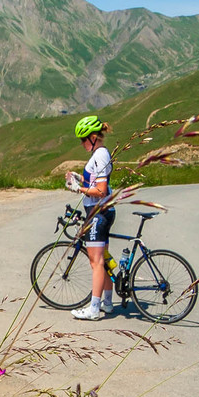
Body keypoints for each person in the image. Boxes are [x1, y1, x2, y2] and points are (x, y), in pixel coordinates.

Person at [69, 113, 115, 319]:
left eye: (83, 140)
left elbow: (101, 190)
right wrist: (79, 179)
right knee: (103, 261)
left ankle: (94, 309)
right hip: (100, 211)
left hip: (98, 213)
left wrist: (79, 189)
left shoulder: (100, 155)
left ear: (93, 137)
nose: (82, 144)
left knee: (95, 262)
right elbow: (95, 183)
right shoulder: (98, 155)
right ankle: (107, 303)